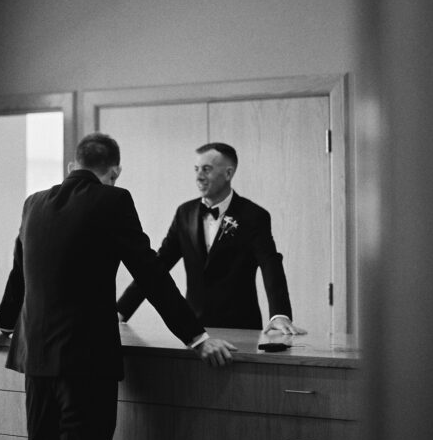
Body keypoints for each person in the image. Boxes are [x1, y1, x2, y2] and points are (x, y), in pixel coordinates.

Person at [0, 132, 235, 440]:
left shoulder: (33, 203)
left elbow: (19, 273)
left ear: (72, 166)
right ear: (115, 171)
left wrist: (1, 324)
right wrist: (196, 337)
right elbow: (150, 273)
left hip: (35, 357)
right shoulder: (113, 200)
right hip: (85, 361)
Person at [116, 142, 304, 334]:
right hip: (194, 327)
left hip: (240, 326)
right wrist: (122, 310)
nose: (199, 176)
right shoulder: (185, 213)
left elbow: (270, 263)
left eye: (206, 169)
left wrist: (279, 314)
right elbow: (157, 265)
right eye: (196, 169)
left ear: (228, 173)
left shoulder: (254, 215)